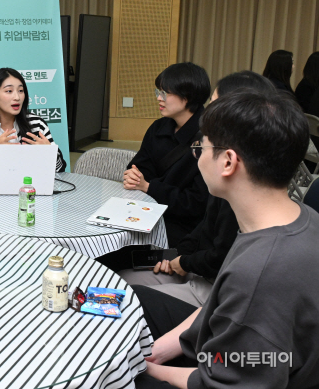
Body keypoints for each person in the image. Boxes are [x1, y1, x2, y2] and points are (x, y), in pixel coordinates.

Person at [134, 90, 319, 388]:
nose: (198, 156)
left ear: (228, 162)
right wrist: (158, 352)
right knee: (132, 297)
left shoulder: (259, 273)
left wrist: (144, 369)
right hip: (243, 357)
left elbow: (223, 382)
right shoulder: (298, 216)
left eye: (202, 147)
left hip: (239, 376)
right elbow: (214, 309)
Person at [117, 71, 276, 308]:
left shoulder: (246, 189)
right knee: (119, 274)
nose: (199, 153)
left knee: (127, 293)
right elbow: (205, 228)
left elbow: (218, 249)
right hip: (191, 259)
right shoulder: (162, 129)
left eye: (214, 103)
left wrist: (183, 261)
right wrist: (176, 257)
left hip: (210, 283)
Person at [123, 62, 211, 247]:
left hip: (182, 227)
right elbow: (139, 164)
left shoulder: (209, 140)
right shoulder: (158, 127)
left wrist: (149, 187)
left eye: (165, 93)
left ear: (187, 97)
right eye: (158, 92)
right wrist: (134, 176)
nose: (159, 99)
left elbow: (196, 203)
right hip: (145, 209)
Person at [0, 67, 66, 172]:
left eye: (20, 90)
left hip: (29, 186)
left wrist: (50, 153)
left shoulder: (37, 123)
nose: (17, 97)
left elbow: (60, 169)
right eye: (9, 91)